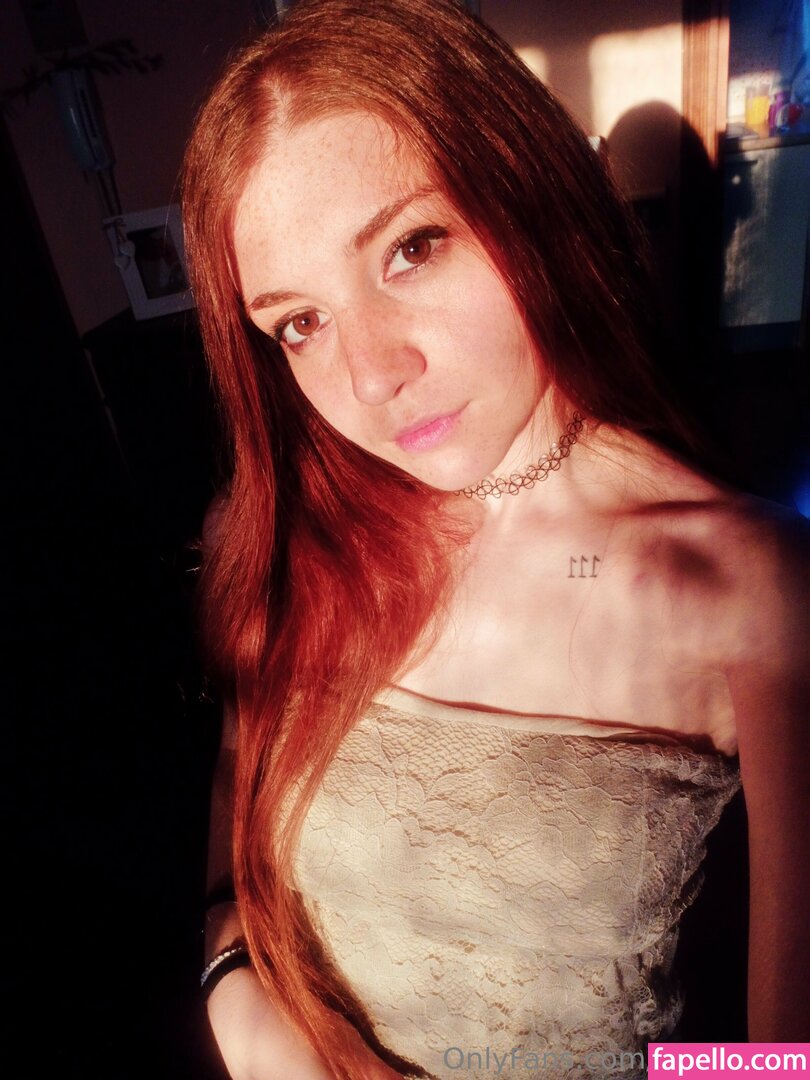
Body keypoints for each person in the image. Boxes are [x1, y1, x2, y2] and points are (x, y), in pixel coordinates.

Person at [181, 1, 809, 1077]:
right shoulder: (292, 534)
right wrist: (239, 1001)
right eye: (300, 323)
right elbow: (233, 854)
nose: (370, 377)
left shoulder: (750, 586)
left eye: (411, 249)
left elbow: (781, 1062)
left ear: (528, 196)